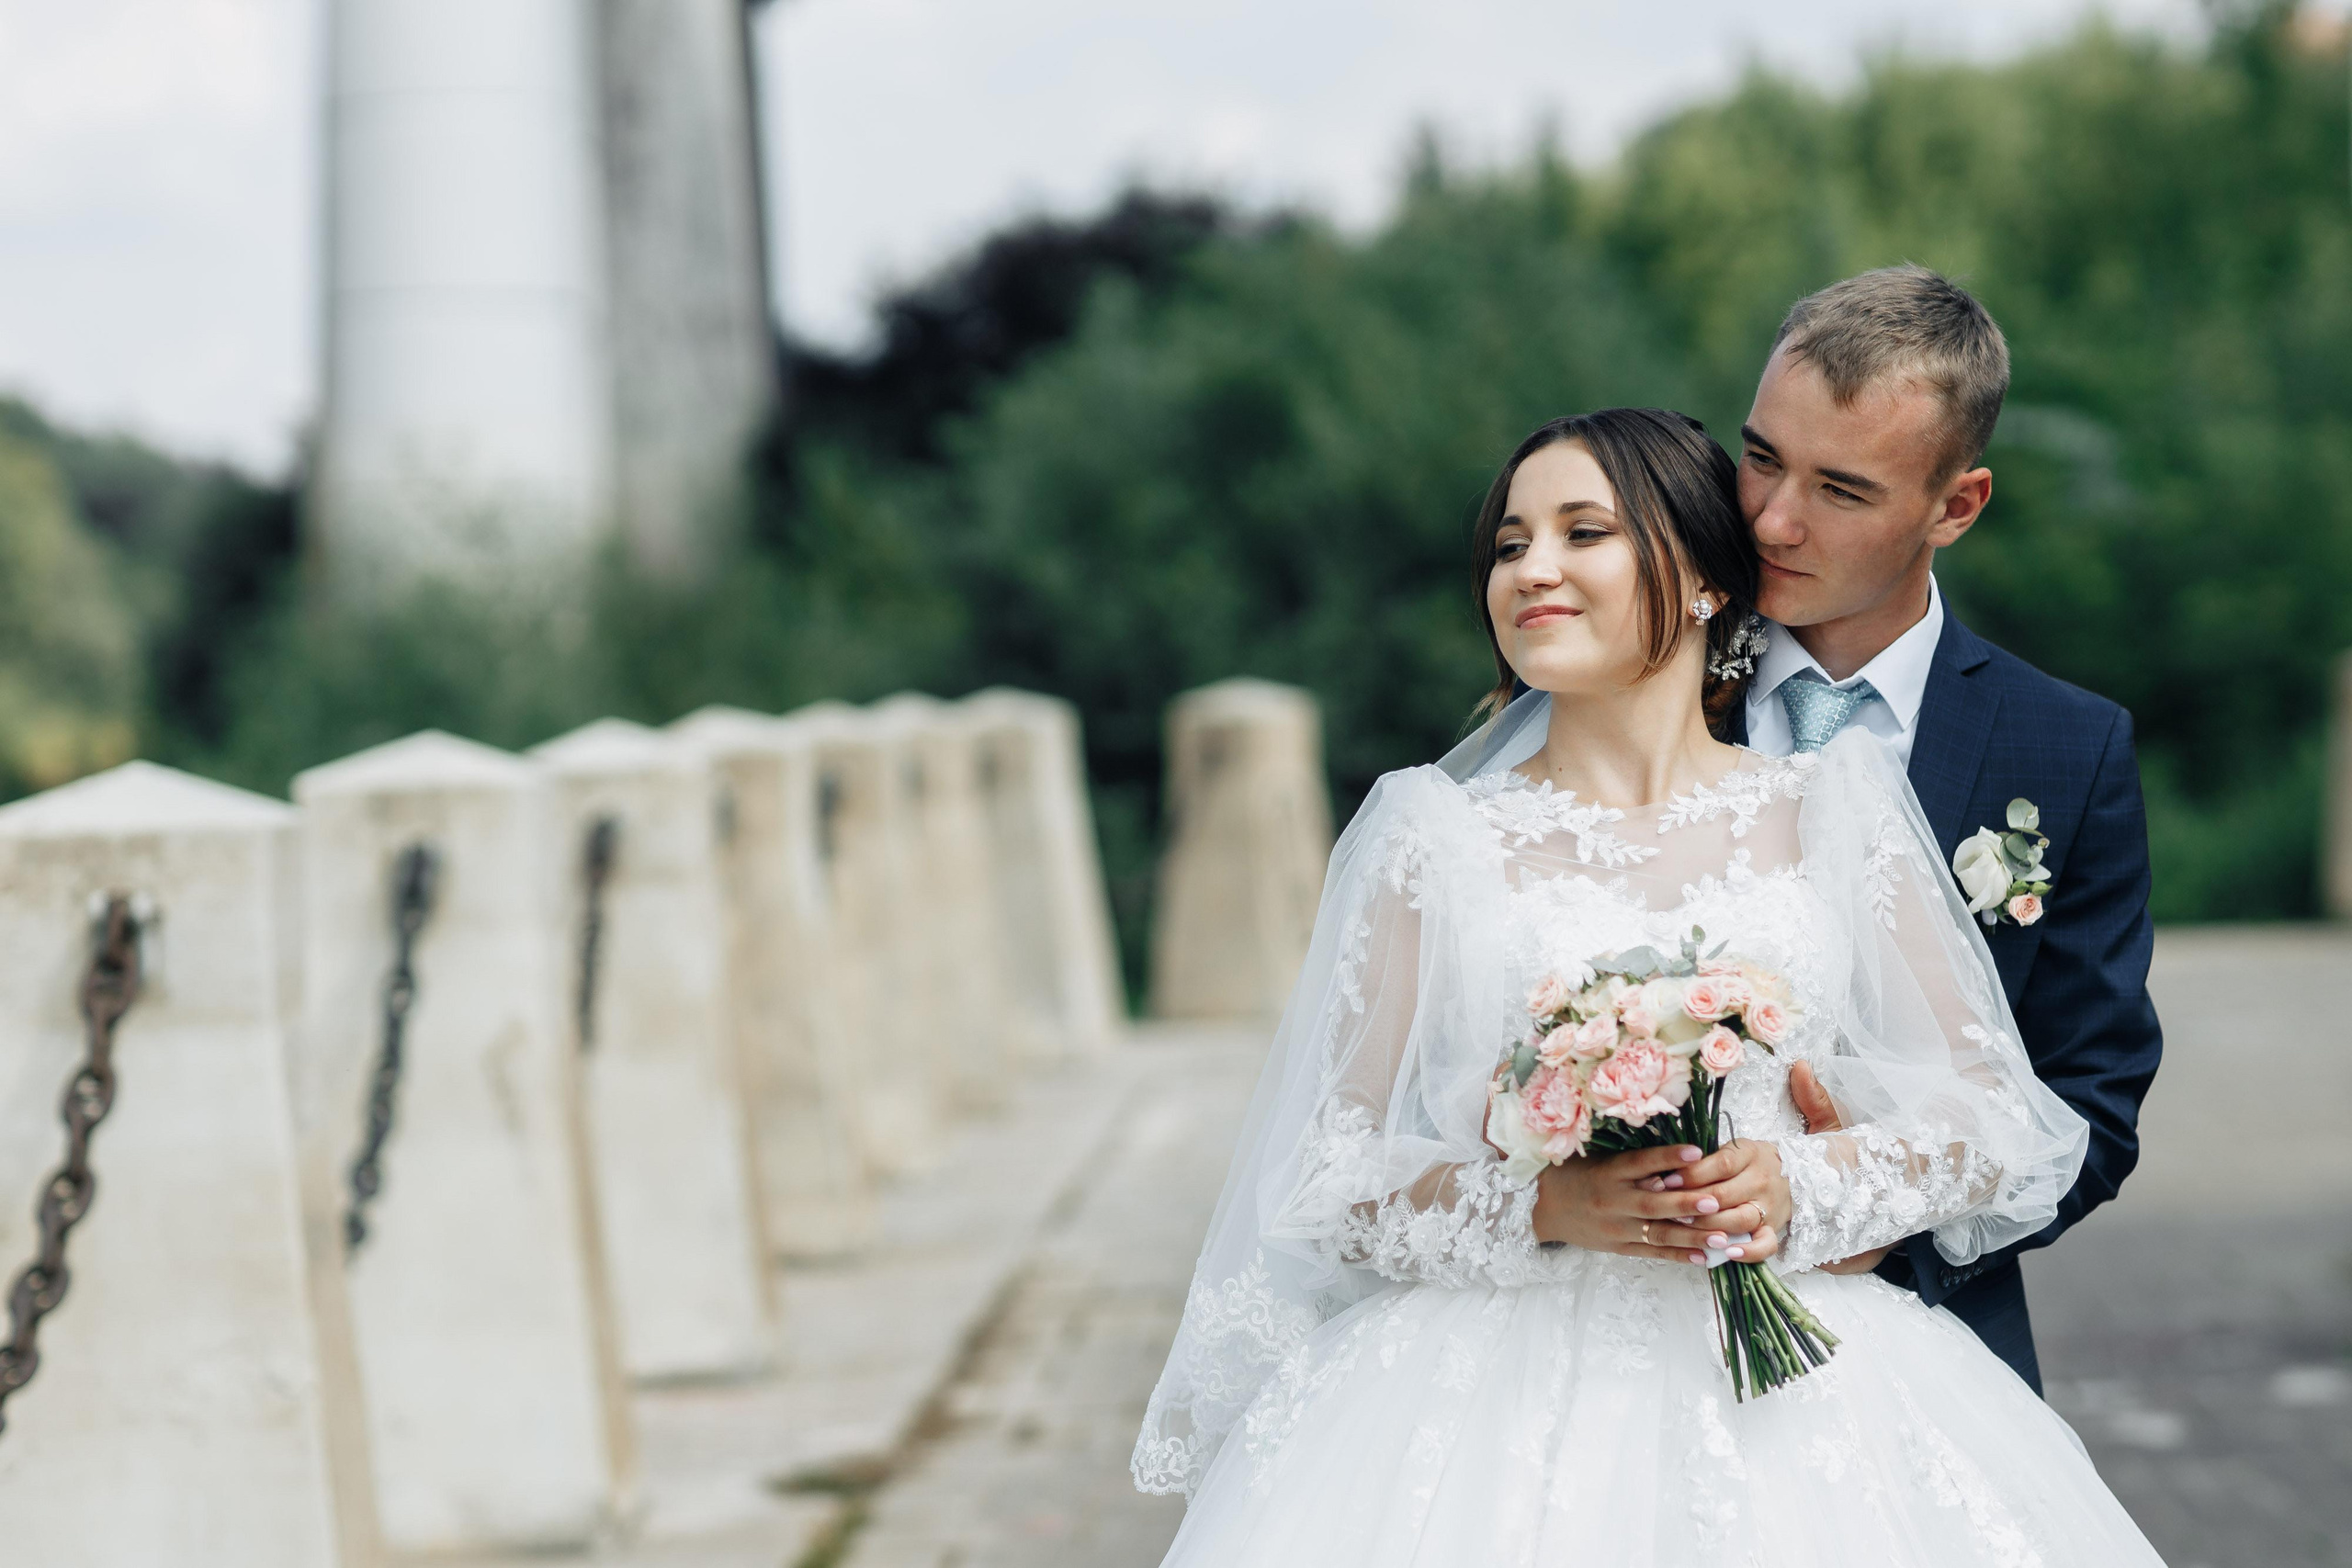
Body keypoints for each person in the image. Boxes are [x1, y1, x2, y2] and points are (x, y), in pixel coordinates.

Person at [1132, 405, 2166, 1562]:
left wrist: (1804, 1184)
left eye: (1583, 532)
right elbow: (1326, 1174)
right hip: (1489, 1405)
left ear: (1702, 579)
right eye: (1511, 544)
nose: (1534, 570)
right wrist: (1542, 1203)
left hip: (1811, 1391)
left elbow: (1991, 1115)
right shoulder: (1434, 836)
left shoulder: (1836, 808)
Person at [1728, 265, 2161, 1390]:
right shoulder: (1642, 688)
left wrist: (1886, 1226)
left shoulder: (2066, 750)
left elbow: (2089, 1095)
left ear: (1954, 506)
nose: (1772, 519)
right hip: (1628, 1321)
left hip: (1923, 1340)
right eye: (1761, 457)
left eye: (1841, 489)